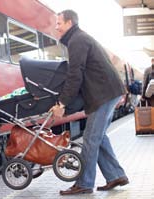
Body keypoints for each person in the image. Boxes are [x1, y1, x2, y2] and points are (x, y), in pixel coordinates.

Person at [50, 10, 129, 195]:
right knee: (98, 137)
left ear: (69, 22)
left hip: (103, 93)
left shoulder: (77, 40)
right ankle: (115, 175)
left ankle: (84, 183)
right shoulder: (79, 38)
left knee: (91, 139)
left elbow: (75, 75)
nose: (56, 26)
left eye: (59, 22)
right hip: (107, 92)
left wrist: (61, 103)